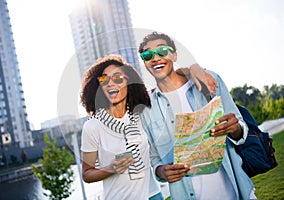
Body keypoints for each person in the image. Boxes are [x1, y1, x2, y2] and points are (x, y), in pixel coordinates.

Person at [138, 32, 257, 200]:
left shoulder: (209, 81)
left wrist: (235, 128)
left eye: (162, 51)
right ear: (145, 63)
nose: (156, 58)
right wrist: (161, 172)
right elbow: (154, 158)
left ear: (174, 55)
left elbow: (241, 129)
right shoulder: (147, 110)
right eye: (148, 55)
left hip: (237, 190)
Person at [79, 54, 214, 199]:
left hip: (153, 196)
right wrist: (112, 168)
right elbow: (87, 174)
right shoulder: (92, 126)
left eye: (118, 78)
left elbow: (168, 80)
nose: (111, 83)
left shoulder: (142, 113)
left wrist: (193, 69)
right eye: (104, 79)